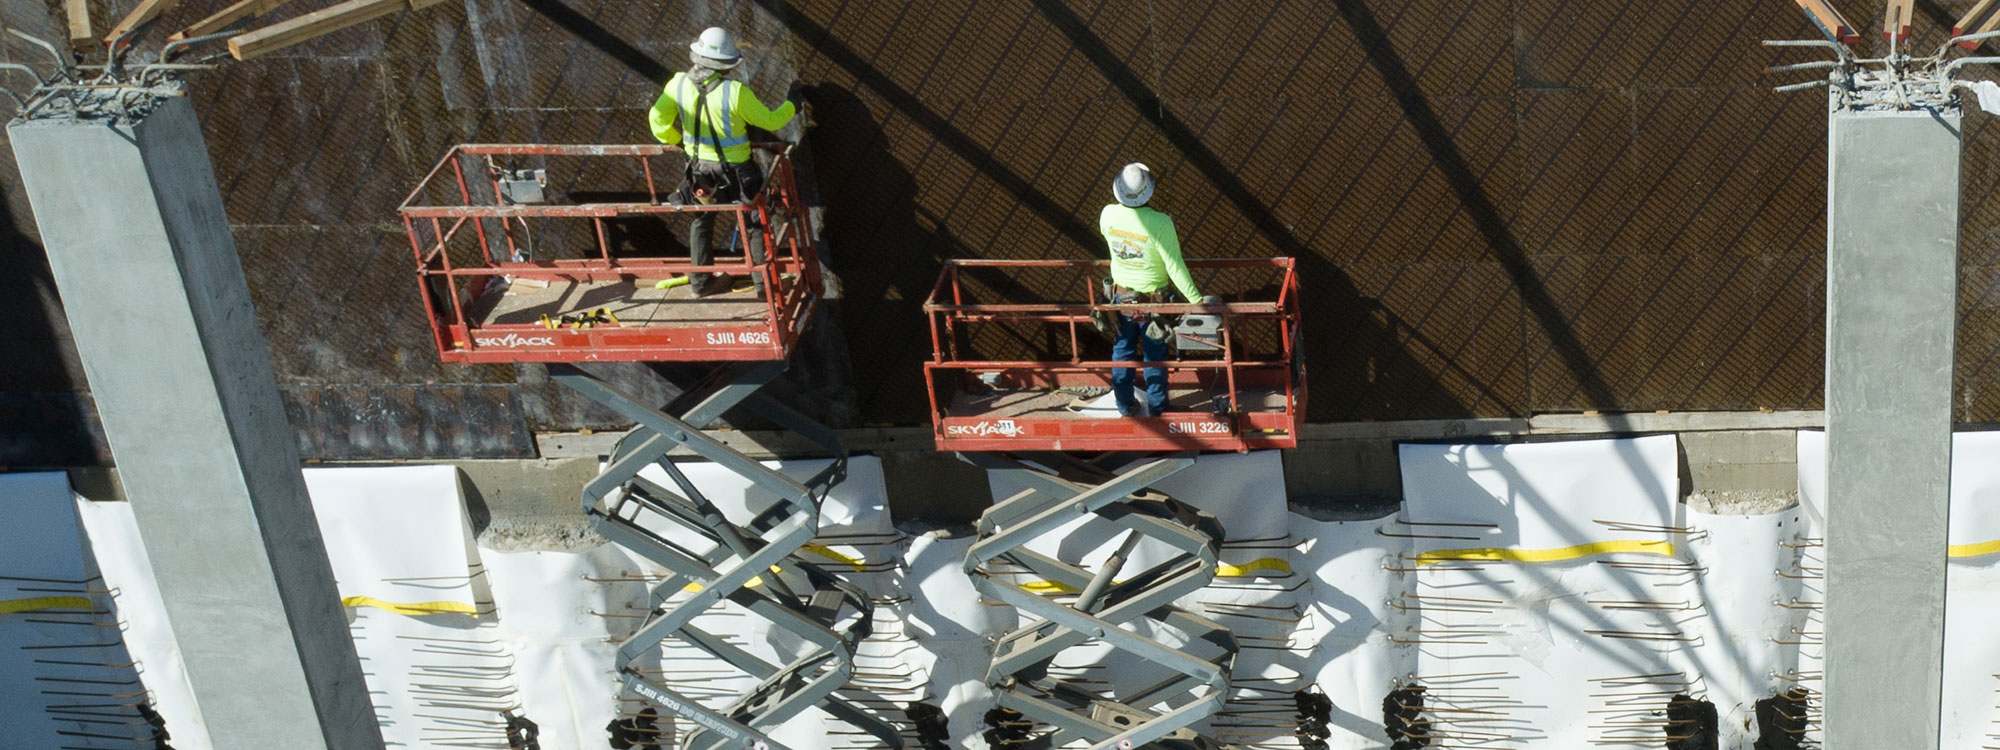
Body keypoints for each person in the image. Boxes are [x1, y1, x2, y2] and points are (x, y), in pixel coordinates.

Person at [649, 27, 798, 297]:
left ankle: (701, 284)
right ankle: (764, 286)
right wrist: (792, 105)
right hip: (739, 173)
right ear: (726, 64)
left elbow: (657, 122)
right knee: (755, 221)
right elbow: (771, 121)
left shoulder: (677, 84)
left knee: (702, 220)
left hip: (700, 172)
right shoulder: (735, 92)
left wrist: (682, 142)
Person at [1100, 162, 1203, 417]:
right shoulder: (1160, 223)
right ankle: (1158, 409)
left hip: (1121, 299)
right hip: (1154, 302)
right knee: (1154, 357)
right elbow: (1174, 266)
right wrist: (1198, 301)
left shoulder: (1108, 215)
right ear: (1149, 190)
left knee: (1122, 352)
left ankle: (1125, 406)